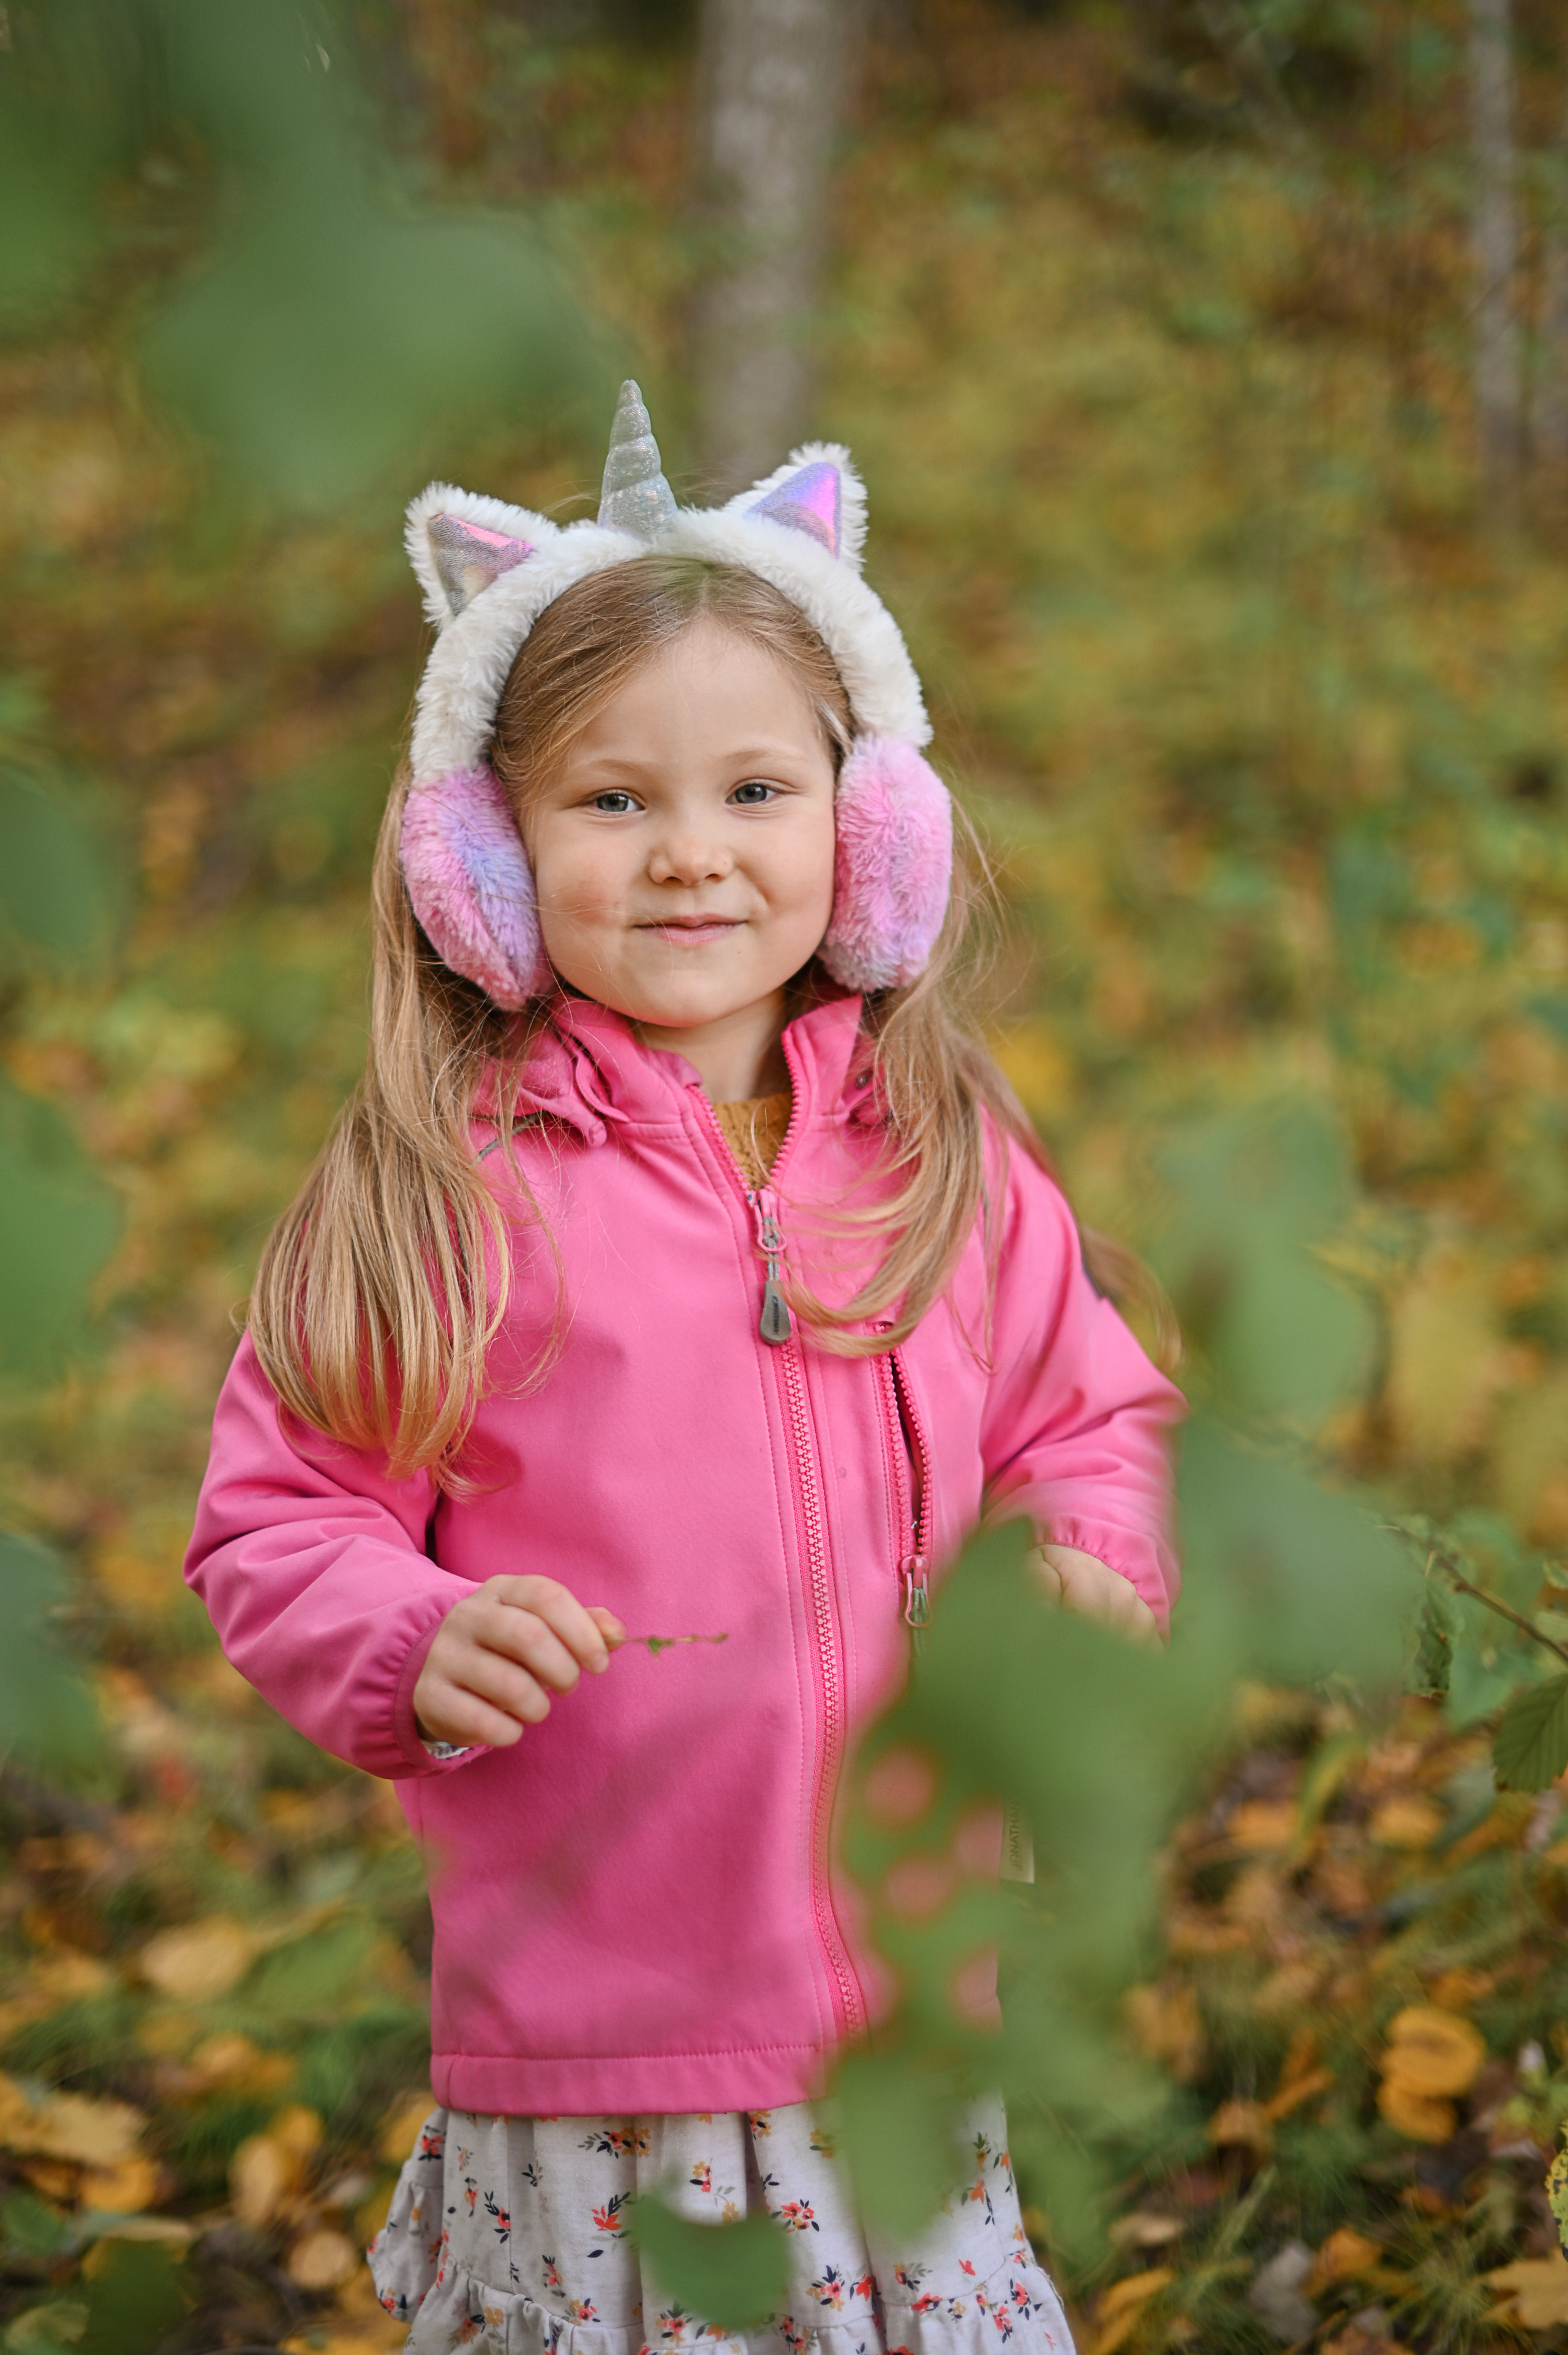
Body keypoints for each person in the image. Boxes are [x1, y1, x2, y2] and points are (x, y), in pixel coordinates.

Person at [186, 383, 1183, 2355]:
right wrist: (408, 1636)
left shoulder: (942, 1154)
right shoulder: (445, 1192)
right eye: (614, 803)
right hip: (601, 2054)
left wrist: (1091, 1551)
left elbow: (1093, 1420)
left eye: (754, 793)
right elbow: (278, 1517)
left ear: (865, 827)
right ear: (485, 855)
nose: (690, 859)